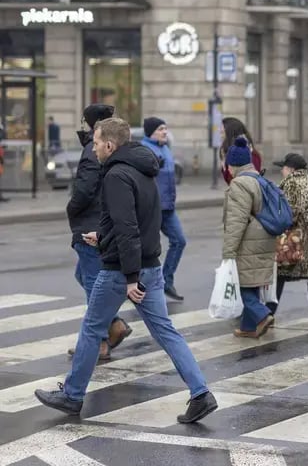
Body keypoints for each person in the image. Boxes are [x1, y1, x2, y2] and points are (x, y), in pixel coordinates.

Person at [34, 118, 217, 423]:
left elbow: (128, 226)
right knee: (166, 331)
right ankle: (201, 393)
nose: (93, 149)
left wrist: (130, 277)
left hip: (122, 271)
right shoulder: (144, 170)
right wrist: (103, 237)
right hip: (150, 266)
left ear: (110, 144)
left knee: (92, 328)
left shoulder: (116, 175)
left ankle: (72, 394)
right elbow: (143, 221)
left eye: (95, 143)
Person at [66, 103, 130, 361]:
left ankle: (101, 341)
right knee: (83, 274)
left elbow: (85, 189)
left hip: (91, 224)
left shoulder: (93, 151)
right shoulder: (112, 147)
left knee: (93, 282)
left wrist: (72, 208)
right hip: (100, 221)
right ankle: (114, 324)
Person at [268, 152, 308, 330]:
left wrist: (274, 223)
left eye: (283, 167)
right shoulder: (307, 182)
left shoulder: (293, 183)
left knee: (281, 273)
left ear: (290, 169)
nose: (281, 170)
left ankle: (267, 314)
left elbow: (290, 211)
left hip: (298, 238)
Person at [222, 137, 276, 338]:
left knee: (241, 282)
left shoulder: (240, 184)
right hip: (265, 237)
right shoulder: (259, 179)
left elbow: (237, 221)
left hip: (249, 240)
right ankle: (248, 326)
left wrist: (228, 251)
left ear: (232, 164)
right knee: (250, 281)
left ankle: (262, 315)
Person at [141, 117, 186, 301]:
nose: (165, 132)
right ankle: (138, 285)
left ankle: (166, 280)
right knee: (147, 249)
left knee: (179, 241)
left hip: (168, 207)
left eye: (165, 128)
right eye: (161, 129)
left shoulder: (165, 148)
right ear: (151, 132)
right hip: (152, 208)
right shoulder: (144, 149)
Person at [220, 117, 263, 184]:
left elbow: (233, 180)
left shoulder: (248, 154)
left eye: (222, 133)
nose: (221, 136)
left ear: (230, 133)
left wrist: (225, 164)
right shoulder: (230, 152)